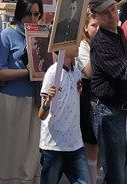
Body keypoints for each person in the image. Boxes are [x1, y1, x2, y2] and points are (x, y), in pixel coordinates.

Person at [0, 0, 44, 184]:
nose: (33, 19)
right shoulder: (7, 35)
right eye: (30, 14)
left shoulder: (42, 35)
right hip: (10, 103)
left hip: (34, 103)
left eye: (37, 14)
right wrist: (27, 72)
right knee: (6, 151)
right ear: (20, 13)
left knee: (28, 153)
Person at [89, 0, 127, 184]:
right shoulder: (100, 42)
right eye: (106, 12)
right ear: (95, 16)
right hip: (108, 112)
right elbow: (123, 72)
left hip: (124, 110)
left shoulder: (121, 33)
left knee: (126, 170)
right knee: (115, 174)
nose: (112, 15)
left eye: (113, 9)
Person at [38, 46, 90, 184]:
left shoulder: (77, 73)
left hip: (75, 144)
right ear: (62, 46)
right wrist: (48, 100)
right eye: (74, 43)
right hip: (53, 145)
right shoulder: (52, 73)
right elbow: (41, 115)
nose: (78, 45)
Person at [76, 12, 100, 184]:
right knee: (90, 142)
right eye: (93, 25)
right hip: (87, 94)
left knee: (99, 144)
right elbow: (89, 72)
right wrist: (99, 48)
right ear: (85, 27)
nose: (97, 29)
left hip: (101, 94)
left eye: (99, 25)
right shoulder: (83, 46)